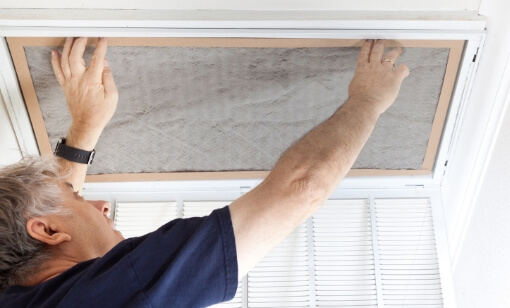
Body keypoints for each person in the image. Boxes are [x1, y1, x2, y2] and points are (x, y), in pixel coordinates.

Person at [0, 37, 409, 307]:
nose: (103, 204)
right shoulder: (117, 290)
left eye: (81, 196)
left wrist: (84, 132)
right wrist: (367, 100)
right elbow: (302, 187)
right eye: (81, 199)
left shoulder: (82, 290)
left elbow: (303, 188)